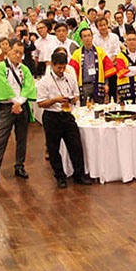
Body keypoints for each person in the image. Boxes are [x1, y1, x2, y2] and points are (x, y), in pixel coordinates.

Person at [0, 39, 36, 186]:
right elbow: (2, 86)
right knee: (1, 139)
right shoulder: (0, 67)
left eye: (20, 53)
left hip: (21, 106)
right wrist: (14, 102)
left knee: (22, 138)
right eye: (15, 52)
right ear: (9, 50)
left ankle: (19, 166)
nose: (18, 55)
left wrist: (19, 102)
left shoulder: (24, 69)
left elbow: (29, 86)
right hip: (7, 107)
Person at [35, 51, 92, 188]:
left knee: (76, 146)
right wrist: (55, 100)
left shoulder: (70, 78)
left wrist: (72, 99)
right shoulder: (44, 82)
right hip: (51, 116)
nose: (61, 70)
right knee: (53, 149)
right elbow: (41, 103)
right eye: (59, 67)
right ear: (52, 65)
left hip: (67, 115)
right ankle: (60, 177)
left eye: (63, 67)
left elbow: (76, 95)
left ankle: (79, 174)